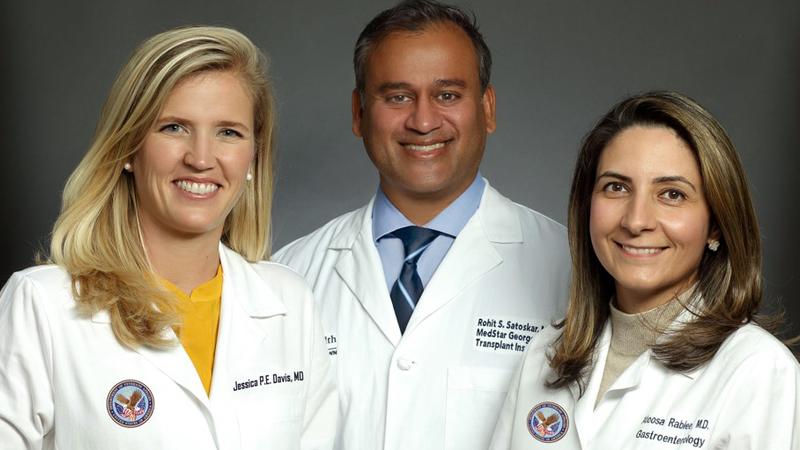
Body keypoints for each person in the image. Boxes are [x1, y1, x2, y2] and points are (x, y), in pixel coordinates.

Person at [0, 26, 336, 450]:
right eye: (174, 127)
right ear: (127, 148)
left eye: (228, 132)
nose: (200, 158)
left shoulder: (289, 300)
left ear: (254, 155)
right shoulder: (43, 305)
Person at [272, 1, 570, 449]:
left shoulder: (571, 271)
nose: (424, 121)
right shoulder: (288, 276)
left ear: (487, 109)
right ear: (358, 113)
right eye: (397, 97)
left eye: (447, 94)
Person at [490, 91, 800, 449]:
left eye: (672, 194)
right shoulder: (545, 354)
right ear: (586, 206)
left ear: (716, 224)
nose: (636, 221)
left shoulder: (758, 372)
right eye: (616, 187)